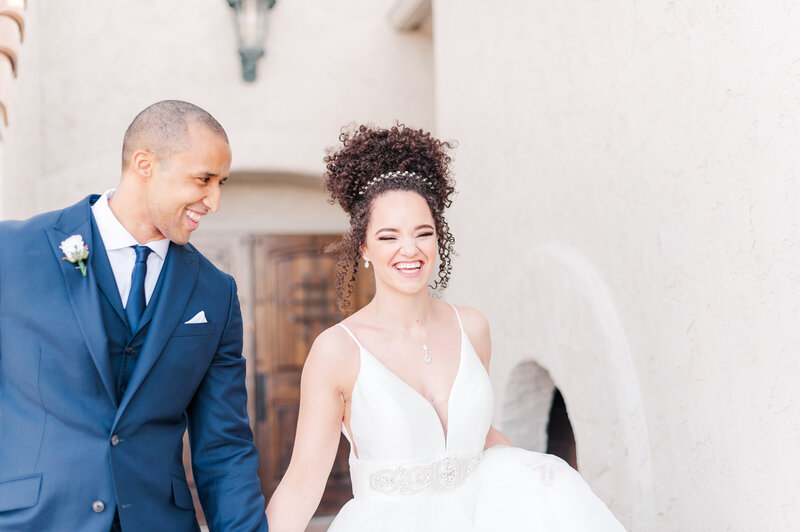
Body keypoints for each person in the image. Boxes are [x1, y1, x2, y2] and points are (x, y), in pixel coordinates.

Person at [265, 124, 625, 531]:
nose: (410, 250)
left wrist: (541, 478)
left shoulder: (472, 327)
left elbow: (475, 435)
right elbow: (302, 483)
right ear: (363, 247)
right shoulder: (337, 351)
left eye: (423, 233)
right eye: (388, 237)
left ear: (440, 239)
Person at [0, 100, 268, 531]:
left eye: (221, 183)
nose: (214, 200)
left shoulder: (215, 292)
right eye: (203, 179)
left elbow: (224, 446)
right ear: (144, 164)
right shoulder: (12, 252)